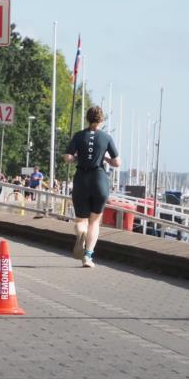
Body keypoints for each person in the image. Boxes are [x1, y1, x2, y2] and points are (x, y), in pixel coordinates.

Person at [62, 106, 120, 268]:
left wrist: (77, 159)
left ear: (87, 118)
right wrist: (106, 160)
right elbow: (117, 162)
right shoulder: (106, 137)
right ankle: (88, 257)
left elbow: (67, 157)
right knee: (94, 222)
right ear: (102, 120)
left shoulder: (79, 136)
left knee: (82, 220)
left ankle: (81, 232)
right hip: (99, 179)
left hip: (82, 179)